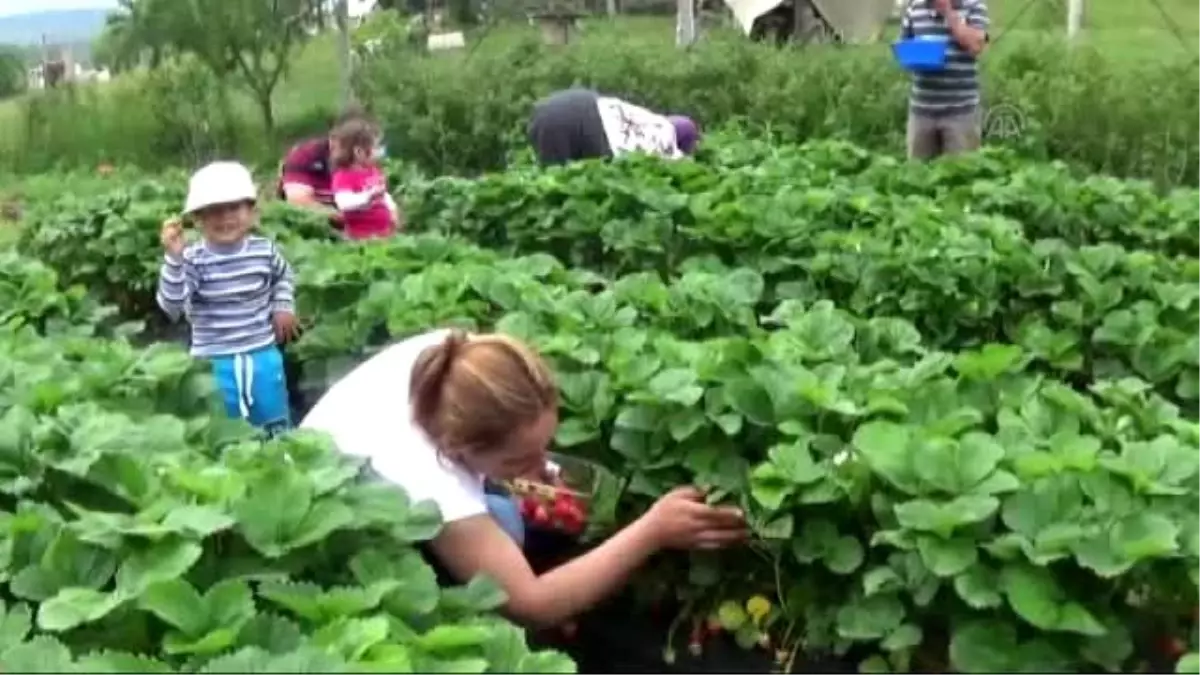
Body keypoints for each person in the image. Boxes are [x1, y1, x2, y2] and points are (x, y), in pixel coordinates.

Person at [299, 329, 747, 627]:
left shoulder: (464, 363)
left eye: (544, 448)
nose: (541, 471)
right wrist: (651, 530)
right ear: (459, 452)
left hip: (355, 450)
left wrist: (520, 467)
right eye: (518, 461)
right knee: (506, 533)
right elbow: (531, 606)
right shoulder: (430, 482)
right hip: (322, 512)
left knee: (508, 516)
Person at [158, 161, 300, 436]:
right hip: (213, 358)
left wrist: (283, 305)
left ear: (252, 212)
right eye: (213, 211)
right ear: (197, 219)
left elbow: (282, 277)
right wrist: (174, 259)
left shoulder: (264, 251)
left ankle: (280, 461)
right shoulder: (193, 259)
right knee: (221, 425)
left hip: (261, 352)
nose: (225, 218)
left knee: (272, 415)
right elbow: (172, 306)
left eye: (234, 208)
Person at [899, 0, 990, 160]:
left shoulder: (974, 5)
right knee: (917, 176)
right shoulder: (915, 6)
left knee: (961, 176)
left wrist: (948, 12)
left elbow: (976, 45)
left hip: (961, 111)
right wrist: (914, 56)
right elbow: (905, 44)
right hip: (922, 110)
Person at [527, 88, 701, 167]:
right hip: (590, 122)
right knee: (562, 183)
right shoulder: (665, 138)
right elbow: (678, 166)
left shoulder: (649, 119)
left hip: (557, 106)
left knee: (551, 174)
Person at [276, 106, 385, 224]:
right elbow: (298, 201)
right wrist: (344, 218)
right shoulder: (306, 155)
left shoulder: (367, 163)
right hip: (316, 224)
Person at [330, 117, 401, 241]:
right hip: (360, 236)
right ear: (359, 152)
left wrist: (392, 209)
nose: (379, 152)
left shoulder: (374, 171)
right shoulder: (343, 176)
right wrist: (368, 197)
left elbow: (383, 195)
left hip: (384, 232)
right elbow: (344, 202)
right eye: (375, 148)